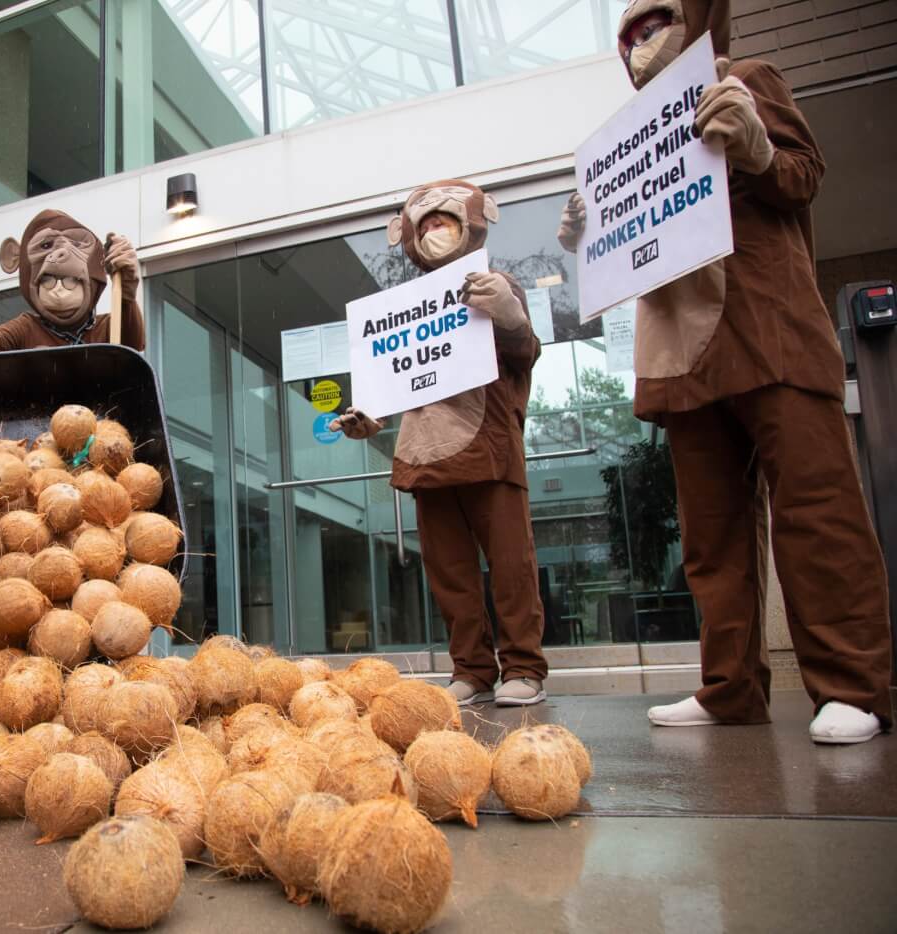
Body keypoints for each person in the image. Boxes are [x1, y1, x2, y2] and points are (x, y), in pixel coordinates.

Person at [558, 0, 892, 743]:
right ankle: (729, 686)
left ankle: (852, 685)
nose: (644, 41)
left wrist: (760, 153)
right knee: (712, 535)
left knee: (816, 507)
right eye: (631, 34)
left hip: (766, 323)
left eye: (658, 23)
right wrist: (591, 235)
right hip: (685, 348)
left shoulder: (744, 77)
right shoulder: (633, 135)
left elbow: (805, 174)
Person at [333, 180, 548, 707]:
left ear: (469, 224)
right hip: (427, 454)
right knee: (450, 573)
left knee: (510, 564)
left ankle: (523, 666)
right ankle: (471, 669)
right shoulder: (406, 305)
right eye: (424, 224)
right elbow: (399, 381)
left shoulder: (497, 284)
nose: (433, 231)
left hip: (489, 445)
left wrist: (511, 316)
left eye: (443, 222)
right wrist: (369, 419)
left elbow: (526, 353)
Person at [0, 208, 143, 352]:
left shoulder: (106, 329)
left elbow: (132, 343)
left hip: (101, 423)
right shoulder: (26, 329)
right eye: (50, 282)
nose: (60, 291)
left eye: (70, 282)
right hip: (39, 424)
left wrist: (126, 294)